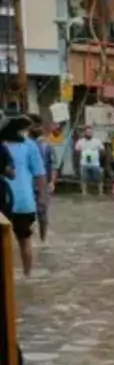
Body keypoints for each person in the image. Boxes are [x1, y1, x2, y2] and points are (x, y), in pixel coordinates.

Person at [4, 117, 47, 276]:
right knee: (25, 240)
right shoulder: (29, 145)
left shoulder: (7, 145)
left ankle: (10, 281)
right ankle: (27, 276)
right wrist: (42, 199)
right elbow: (40, 174)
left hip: (8, 201)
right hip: (23, 201)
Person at [30, 122, 55, 243]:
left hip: (39, 184)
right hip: (34, 184)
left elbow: (52, 165)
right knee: (38, 213)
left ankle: (41, 240)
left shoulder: (46, 146)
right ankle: (39, 240)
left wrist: (52, 182)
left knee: (41, 213)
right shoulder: (28, 145)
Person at [75, 124, 104, 196]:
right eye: (87, 132)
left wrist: (99, 159)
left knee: (99, 178)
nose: (89, 134)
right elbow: (76, 152)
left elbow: (102, 150)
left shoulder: (97, 141)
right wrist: (79, 160)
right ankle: (84, 193)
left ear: (92, 133)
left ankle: (101, 192)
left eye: (90, 132)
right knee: (84, 179)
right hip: (84, 163)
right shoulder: (80, 141)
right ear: (84, 133)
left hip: (95, 163)